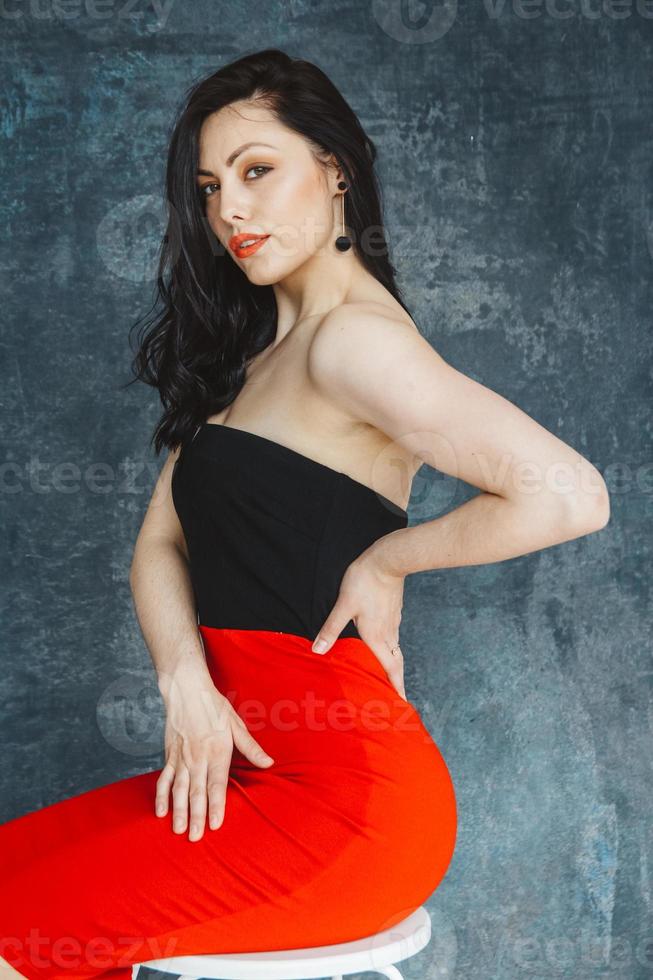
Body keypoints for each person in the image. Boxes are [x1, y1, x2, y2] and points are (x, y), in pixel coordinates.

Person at [0, 48, 610, 980]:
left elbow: (570, 495)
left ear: (335, 170)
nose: (228, 211)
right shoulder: (253, 362)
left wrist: (388, 561)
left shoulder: (354, 345)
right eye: (209, 187)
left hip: (346, 807)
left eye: (256, 171)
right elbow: (157, 546)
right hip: (244, 776)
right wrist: (186, 683)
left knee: (22, 929)